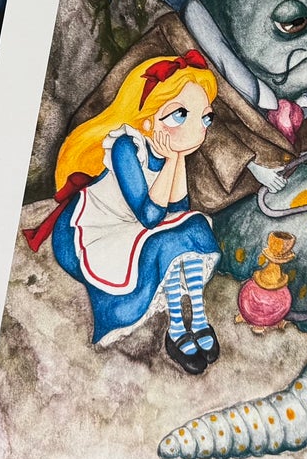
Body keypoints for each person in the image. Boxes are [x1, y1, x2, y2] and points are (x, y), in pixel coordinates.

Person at [25, 51, 225, 375]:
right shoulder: (125, 146)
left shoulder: (168, 150)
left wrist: (176, 159)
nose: (198, 130)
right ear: (148, 118)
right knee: (167, 242)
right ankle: (177, 328)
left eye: (205, 119)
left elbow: (178, 211)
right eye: (180, 115)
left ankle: (198, 319)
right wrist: (173, 159)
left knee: (194, 227)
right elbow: (151, 217)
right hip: (96, 230)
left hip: (137, 224)